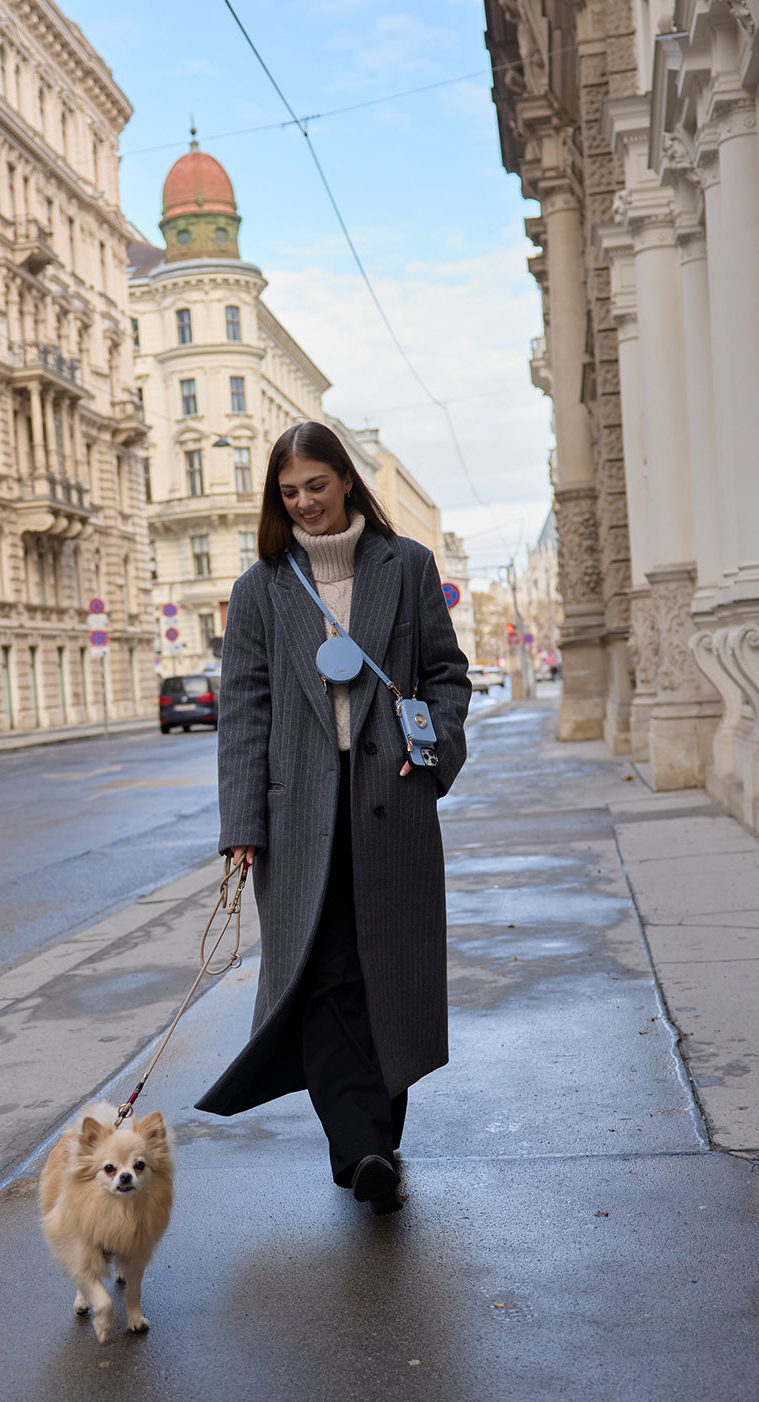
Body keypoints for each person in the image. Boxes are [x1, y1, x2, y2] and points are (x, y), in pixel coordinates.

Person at [195, 420, 471, 1214]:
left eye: (316, 484)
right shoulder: (260, 587)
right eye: (289, 492)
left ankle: (377, 1137)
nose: (304, 502)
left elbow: (447, 676)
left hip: (392, 800)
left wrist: (433, 751)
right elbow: (244, 712)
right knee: (319, 973)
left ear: (345, 480)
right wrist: (241, 824)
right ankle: (362, 1150)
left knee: (385, 969)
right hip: (296, 815)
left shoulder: (407, 566)